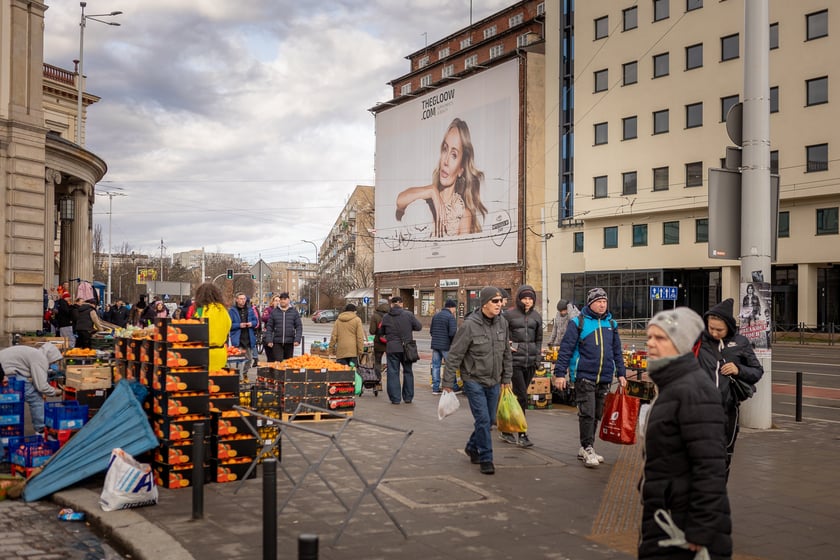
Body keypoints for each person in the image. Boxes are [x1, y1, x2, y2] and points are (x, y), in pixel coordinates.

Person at [640, 307, 732, 559]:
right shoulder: (670, 385)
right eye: (649, 336)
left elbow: (711, 466)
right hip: (667, 513)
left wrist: (700, 530)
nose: (650, 343)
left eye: (660, 338)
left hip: (684, 525)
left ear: (680, 344)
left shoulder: (694, 390)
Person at [552, 287, 627, 468]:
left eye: (604, 301)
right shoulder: (578, 322)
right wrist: (560, 374)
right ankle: (588, 447)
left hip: (605, 376)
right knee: (587, 413)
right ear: (590, 303)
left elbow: (617, 351)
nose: (602, 305)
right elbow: (566, 350)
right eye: (598, 302)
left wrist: (622, 373)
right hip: (584, 376)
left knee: (596, 414)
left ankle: (586, 447)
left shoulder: (612, 324)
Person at [443, 287, 512, 475]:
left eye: (500, 301)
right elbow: (455, 355)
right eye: (495, 301)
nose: (499, 304)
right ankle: (486, 458)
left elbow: (506, 353)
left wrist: (506, 378)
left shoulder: (503, 324)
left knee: (489, 420)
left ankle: (472, 447)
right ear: (484, 303)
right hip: (473, 380)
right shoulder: (469, 325)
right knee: (482, 419)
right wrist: (448, 384)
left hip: (495, 380)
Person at [695, 298, 765, 475]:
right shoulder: (699, 340)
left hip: (727, 411)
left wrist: (738, 369)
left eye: (719, 329)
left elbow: (757, 371)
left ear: (729, 327)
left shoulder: (740, 343)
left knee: (723, 455)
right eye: (711, 328)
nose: (714, 333)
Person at [395, 118, 487, 237]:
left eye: (454, 155)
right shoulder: (426, 201)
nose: (446, 161)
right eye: (445, 149)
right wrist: (432, 191)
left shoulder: (462, 214)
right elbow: (400, 201)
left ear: (461, 169)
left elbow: (462, 254)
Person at [501, 285, 542, 448]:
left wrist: (537, 358)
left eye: (530, 298)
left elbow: (538, 340)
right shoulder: (509, 315)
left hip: (530, 362)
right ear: (519, 299)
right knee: (522, 397)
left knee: (519, 397)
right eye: (525, 298)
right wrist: (506, 346)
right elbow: (500, 334)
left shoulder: (536, 317)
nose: (527, 301)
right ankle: (522, 433)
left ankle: (506, 429)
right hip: (514, 362)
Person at [0, 344, 63, 435]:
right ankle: (40, 430)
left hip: (4, 369)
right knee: (36, 398)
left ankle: (8, 427)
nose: (52, 365)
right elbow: (41, 386)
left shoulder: (34, 353)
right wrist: (56, 391)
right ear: (51, 356)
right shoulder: (40, 358)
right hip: (6, 373)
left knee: (11, 402)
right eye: (53, 362)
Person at [380, 296, 422, 405]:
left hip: (392, 348)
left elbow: (381, 332)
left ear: (392, 304)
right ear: (401, 304)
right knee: (408, 371)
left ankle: (395, 398)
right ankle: (408, 397)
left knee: (393, 372)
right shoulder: (408, 315)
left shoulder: (386, 317)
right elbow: (418, 327)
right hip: (407, 348)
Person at [192, 282, 232, 372]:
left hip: (203, 354)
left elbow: (195, 329)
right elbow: (228, 327)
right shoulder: (223, 310)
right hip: (220, 353)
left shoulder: (200, 310)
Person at [429, 299, 458, 395]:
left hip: (435, 345)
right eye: (455, 308)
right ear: (451, 307)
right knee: (450, 366)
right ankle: (452, 386)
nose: (455, 310)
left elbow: (431, 331)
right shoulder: (450, 317)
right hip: (446, 346)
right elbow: (453, 333)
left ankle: (435, 388)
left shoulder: (436, 315)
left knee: (436, 366)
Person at [228, 292, 259, 380]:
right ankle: (239, 376)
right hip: (238, 338)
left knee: (249, 359)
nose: (242, 301)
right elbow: (229, 325)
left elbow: (256, 321)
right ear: (237, 300)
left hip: (248, 337)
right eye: (240, 299)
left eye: (244, 299)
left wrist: (251, 324)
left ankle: (244, 373)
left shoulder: (249, 310)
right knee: (239, 359)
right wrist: (239, 325)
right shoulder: (232, 311)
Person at [265, 292, 302, 361]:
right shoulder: (274, 312)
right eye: (281, 299)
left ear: (288, 300)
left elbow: (299, 326)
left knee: (288, 362)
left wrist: (297, 339)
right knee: (278, 361)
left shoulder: (294, 312)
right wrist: (269, 340)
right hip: (277, 342)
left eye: (284, 299)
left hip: (289, 341)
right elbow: (269, 327)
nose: (282, 301)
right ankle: (278, 372)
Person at [369, 299, 390, 382]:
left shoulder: (375, 316)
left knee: (377, 361)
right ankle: (391, 379)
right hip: (390, 342)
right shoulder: (391, 314)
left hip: (379, 342)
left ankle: (377, 380)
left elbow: (372, 331)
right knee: (391, 362)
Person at [261, 295, 282, 362]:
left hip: (279, 336)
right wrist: (274, 316)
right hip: (269, 335)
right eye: (276, 301)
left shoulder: (283, 311)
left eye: (279, 301)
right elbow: (264, 318)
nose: (278, 302)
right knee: (270, 358)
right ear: (272, 302)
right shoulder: (268, 309)